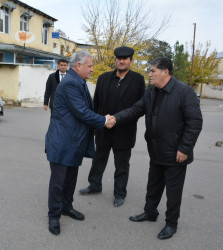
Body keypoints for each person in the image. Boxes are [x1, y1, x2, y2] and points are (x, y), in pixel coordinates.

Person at [113, 57, 203, 240]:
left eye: (153, 71)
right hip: (156, 150)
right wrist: (114, 118)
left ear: (166, 72)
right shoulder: (151, 92)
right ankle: (150, 213)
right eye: (150, 70)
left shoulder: (185, 92)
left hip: (176, 153)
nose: (150, 74)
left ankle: (171, 224)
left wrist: (184, 149)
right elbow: (135, 110)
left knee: (173, 191)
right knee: (153, 185)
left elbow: (195, 122)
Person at [45, 51, 115, 236]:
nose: (92, 69)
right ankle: (54, 216)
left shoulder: (78, 81)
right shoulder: (70, 83)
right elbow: (82, 111)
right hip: (62, 141)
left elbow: (84, 111)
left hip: (74, 141)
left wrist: (100, 119)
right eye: (90, 66)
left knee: (70, 179)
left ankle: (66, 207)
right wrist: (103, 120)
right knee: (58, 182)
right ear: (78, 66)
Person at [79, 46, 145, 207]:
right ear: (115, 60)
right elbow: (96, 104)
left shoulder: (138, 80)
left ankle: (120, 193)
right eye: (119, 58)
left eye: (125, 58)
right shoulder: (103, 78)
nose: (121, 61)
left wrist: (119, 120)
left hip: (124, 131)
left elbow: (141, 107)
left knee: (122, 164)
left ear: (131, 61)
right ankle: (94, 185)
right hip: (103, 129)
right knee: (98, 160)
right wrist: (95, 123)